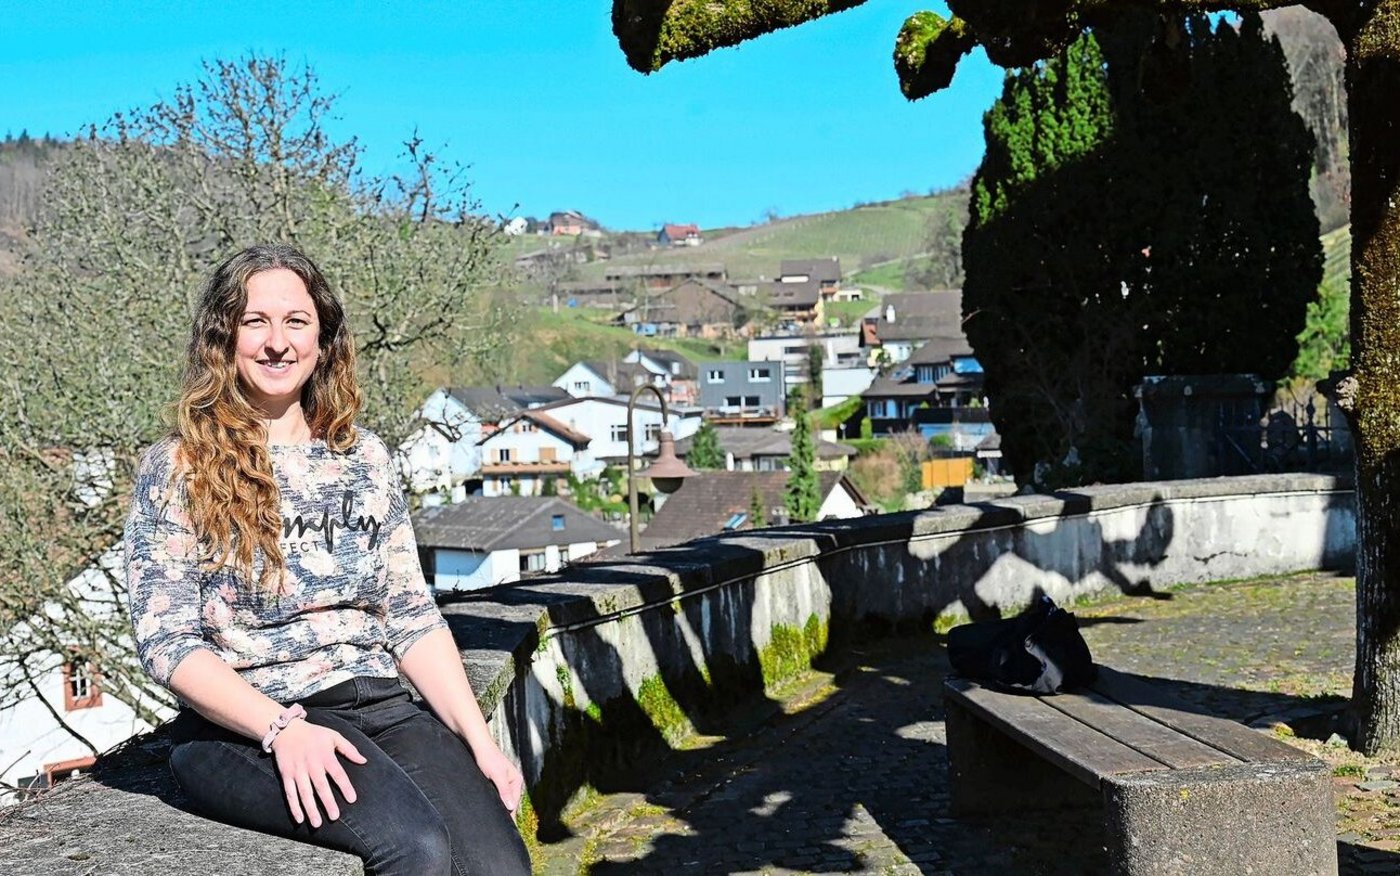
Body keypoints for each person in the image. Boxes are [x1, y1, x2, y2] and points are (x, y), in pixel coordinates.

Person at [123, 243, 532, 875]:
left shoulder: (363, 458)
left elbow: (410, 616)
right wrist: (279, 729)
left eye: (296, 321)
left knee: (499, 866)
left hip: (378, 704)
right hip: (242, 728)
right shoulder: (179, 467)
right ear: (224, 337)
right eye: (255, 322)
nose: (277, 343)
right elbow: (167, 641)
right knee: (414, 848)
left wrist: (483, 745)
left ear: (323, 338)